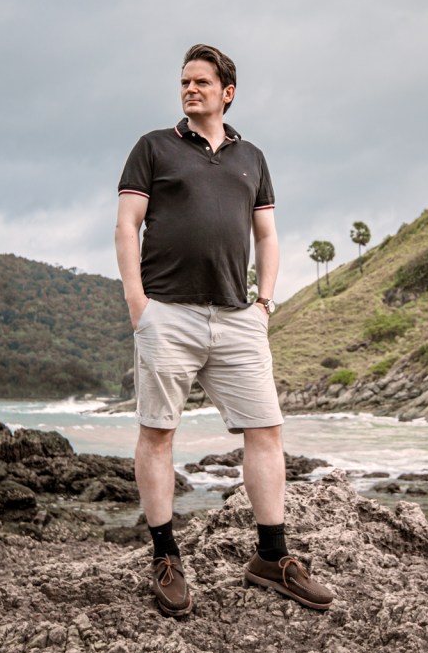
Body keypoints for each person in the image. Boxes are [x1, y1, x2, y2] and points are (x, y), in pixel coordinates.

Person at [114, 43, 335, 618]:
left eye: (201, 83)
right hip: (168, 312)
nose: (190, 89)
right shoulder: (153, 147)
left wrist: (264, 303)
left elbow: (267, 235)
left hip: (238, 317)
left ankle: (272, 558)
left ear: (226, 92)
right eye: (184, 82)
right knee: (158, 432)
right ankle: (165, 559)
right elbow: (126, 225)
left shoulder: (252, 158)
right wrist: (140, 304)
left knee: (265, 430)